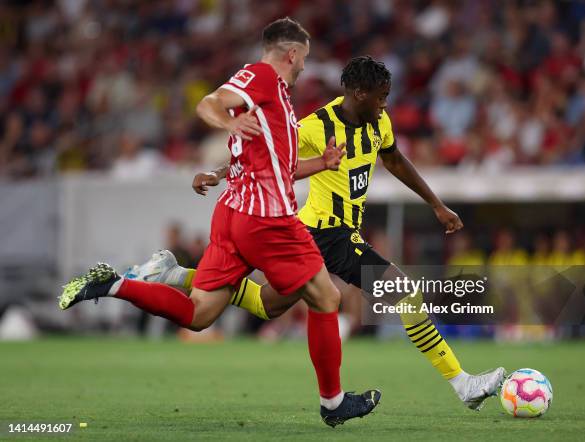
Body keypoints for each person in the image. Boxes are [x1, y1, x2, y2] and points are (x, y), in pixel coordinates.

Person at [130, 56, 505, 411]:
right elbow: (267, 156)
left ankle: (177, 275)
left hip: (317, 235)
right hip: (328, 233)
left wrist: (436, 204)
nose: (385, 104)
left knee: (268, 305)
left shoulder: (379, 124)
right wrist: (216, 173)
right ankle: (463, 384)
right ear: (360, 93)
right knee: (404, 292)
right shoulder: (314, 127)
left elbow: (392, 158)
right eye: (382, 97)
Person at [59, 18, 380, 427]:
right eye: (304, 59)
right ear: (292, 53)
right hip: (267, 221)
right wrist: (228, 121)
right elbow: (209, 102)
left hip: (234, 215)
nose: (304, 68)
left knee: (200, 314)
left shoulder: (276, 98)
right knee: (327, 299)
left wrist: (322, 163)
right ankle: (333, 403)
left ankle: (114, 285)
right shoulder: (262, 77)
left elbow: (277, 167)